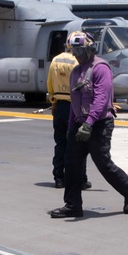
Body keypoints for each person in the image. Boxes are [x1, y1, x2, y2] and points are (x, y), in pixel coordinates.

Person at [49, 32, 128, 218]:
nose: (76, 54)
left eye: (80, 50)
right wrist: (71, 127)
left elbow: (101, 99)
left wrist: (89, 124)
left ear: (90, 49)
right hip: (79, 123)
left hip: (99, 124)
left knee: (103, 163)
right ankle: (73, 205)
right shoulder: (76, 71)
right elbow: (74, 101)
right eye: (74, 50)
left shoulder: (101, 68)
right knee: (71, 164)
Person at [46, 46, 91, 190]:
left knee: (60, 143)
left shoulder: (55, 60)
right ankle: (81, 179)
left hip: (60, 105)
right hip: (75, 106)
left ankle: (59, 178)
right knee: (79, 145)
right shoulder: (78, 61)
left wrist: (53, 103)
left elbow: (50, 85)